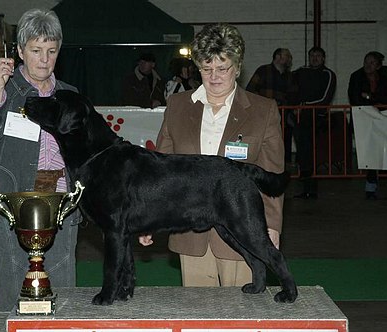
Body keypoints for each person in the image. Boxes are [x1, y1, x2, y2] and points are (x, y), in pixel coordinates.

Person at [139, 23, 285, 288]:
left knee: (242, 319)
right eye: (206, 68)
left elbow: (271, 173)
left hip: (242, 232)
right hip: (190, 235)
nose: (214, 76)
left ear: (237, 67)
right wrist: (149, 215)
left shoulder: (263, 111)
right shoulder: (177, 106)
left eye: (222, 68)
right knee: (198, 319)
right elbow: (160, 171)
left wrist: (271, 225)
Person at [0, 8, 81, 312]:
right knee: (14, 291)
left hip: (60, 208)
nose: (44, 59)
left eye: (51, 50)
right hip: (7, 209)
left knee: (63, 292)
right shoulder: (3, 90)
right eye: (36, 50)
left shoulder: (69, 95)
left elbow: (84, 154)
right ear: (18, 51)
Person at [348, 51, 387, 199]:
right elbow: (355, 97)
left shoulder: (386, 79)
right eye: (366, 61)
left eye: (372, 62)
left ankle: (383, 178)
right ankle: (371, 186)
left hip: (382, 120)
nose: (368, 65)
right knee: (370, 152)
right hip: (364, 120)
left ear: (379, 66)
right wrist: (375, 102)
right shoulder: (356, 76)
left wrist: (369, 96)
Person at [292, 46, 336, 199]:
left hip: (317, 119)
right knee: (303, 153)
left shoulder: (328, 74)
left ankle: (312, 188)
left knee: (313, 152)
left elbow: (325, 98)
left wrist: (304, 105)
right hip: (301, 118)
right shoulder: (301, 72)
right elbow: (291, 88)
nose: (315, 58)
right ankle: (306, 187)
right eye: (312, 55)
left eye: (318, 56)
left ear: (323, 58)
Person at [246, 48, 297, 164]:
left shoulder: (289, 76)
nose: (290, 59)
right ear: (278, 57)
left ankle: (284, 164)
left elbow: (293, 95)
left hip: (283, 113)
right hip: (264, 114)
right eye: (287, 56)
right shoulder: (263, 71)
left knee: (284, 139)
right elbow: (250, 91)